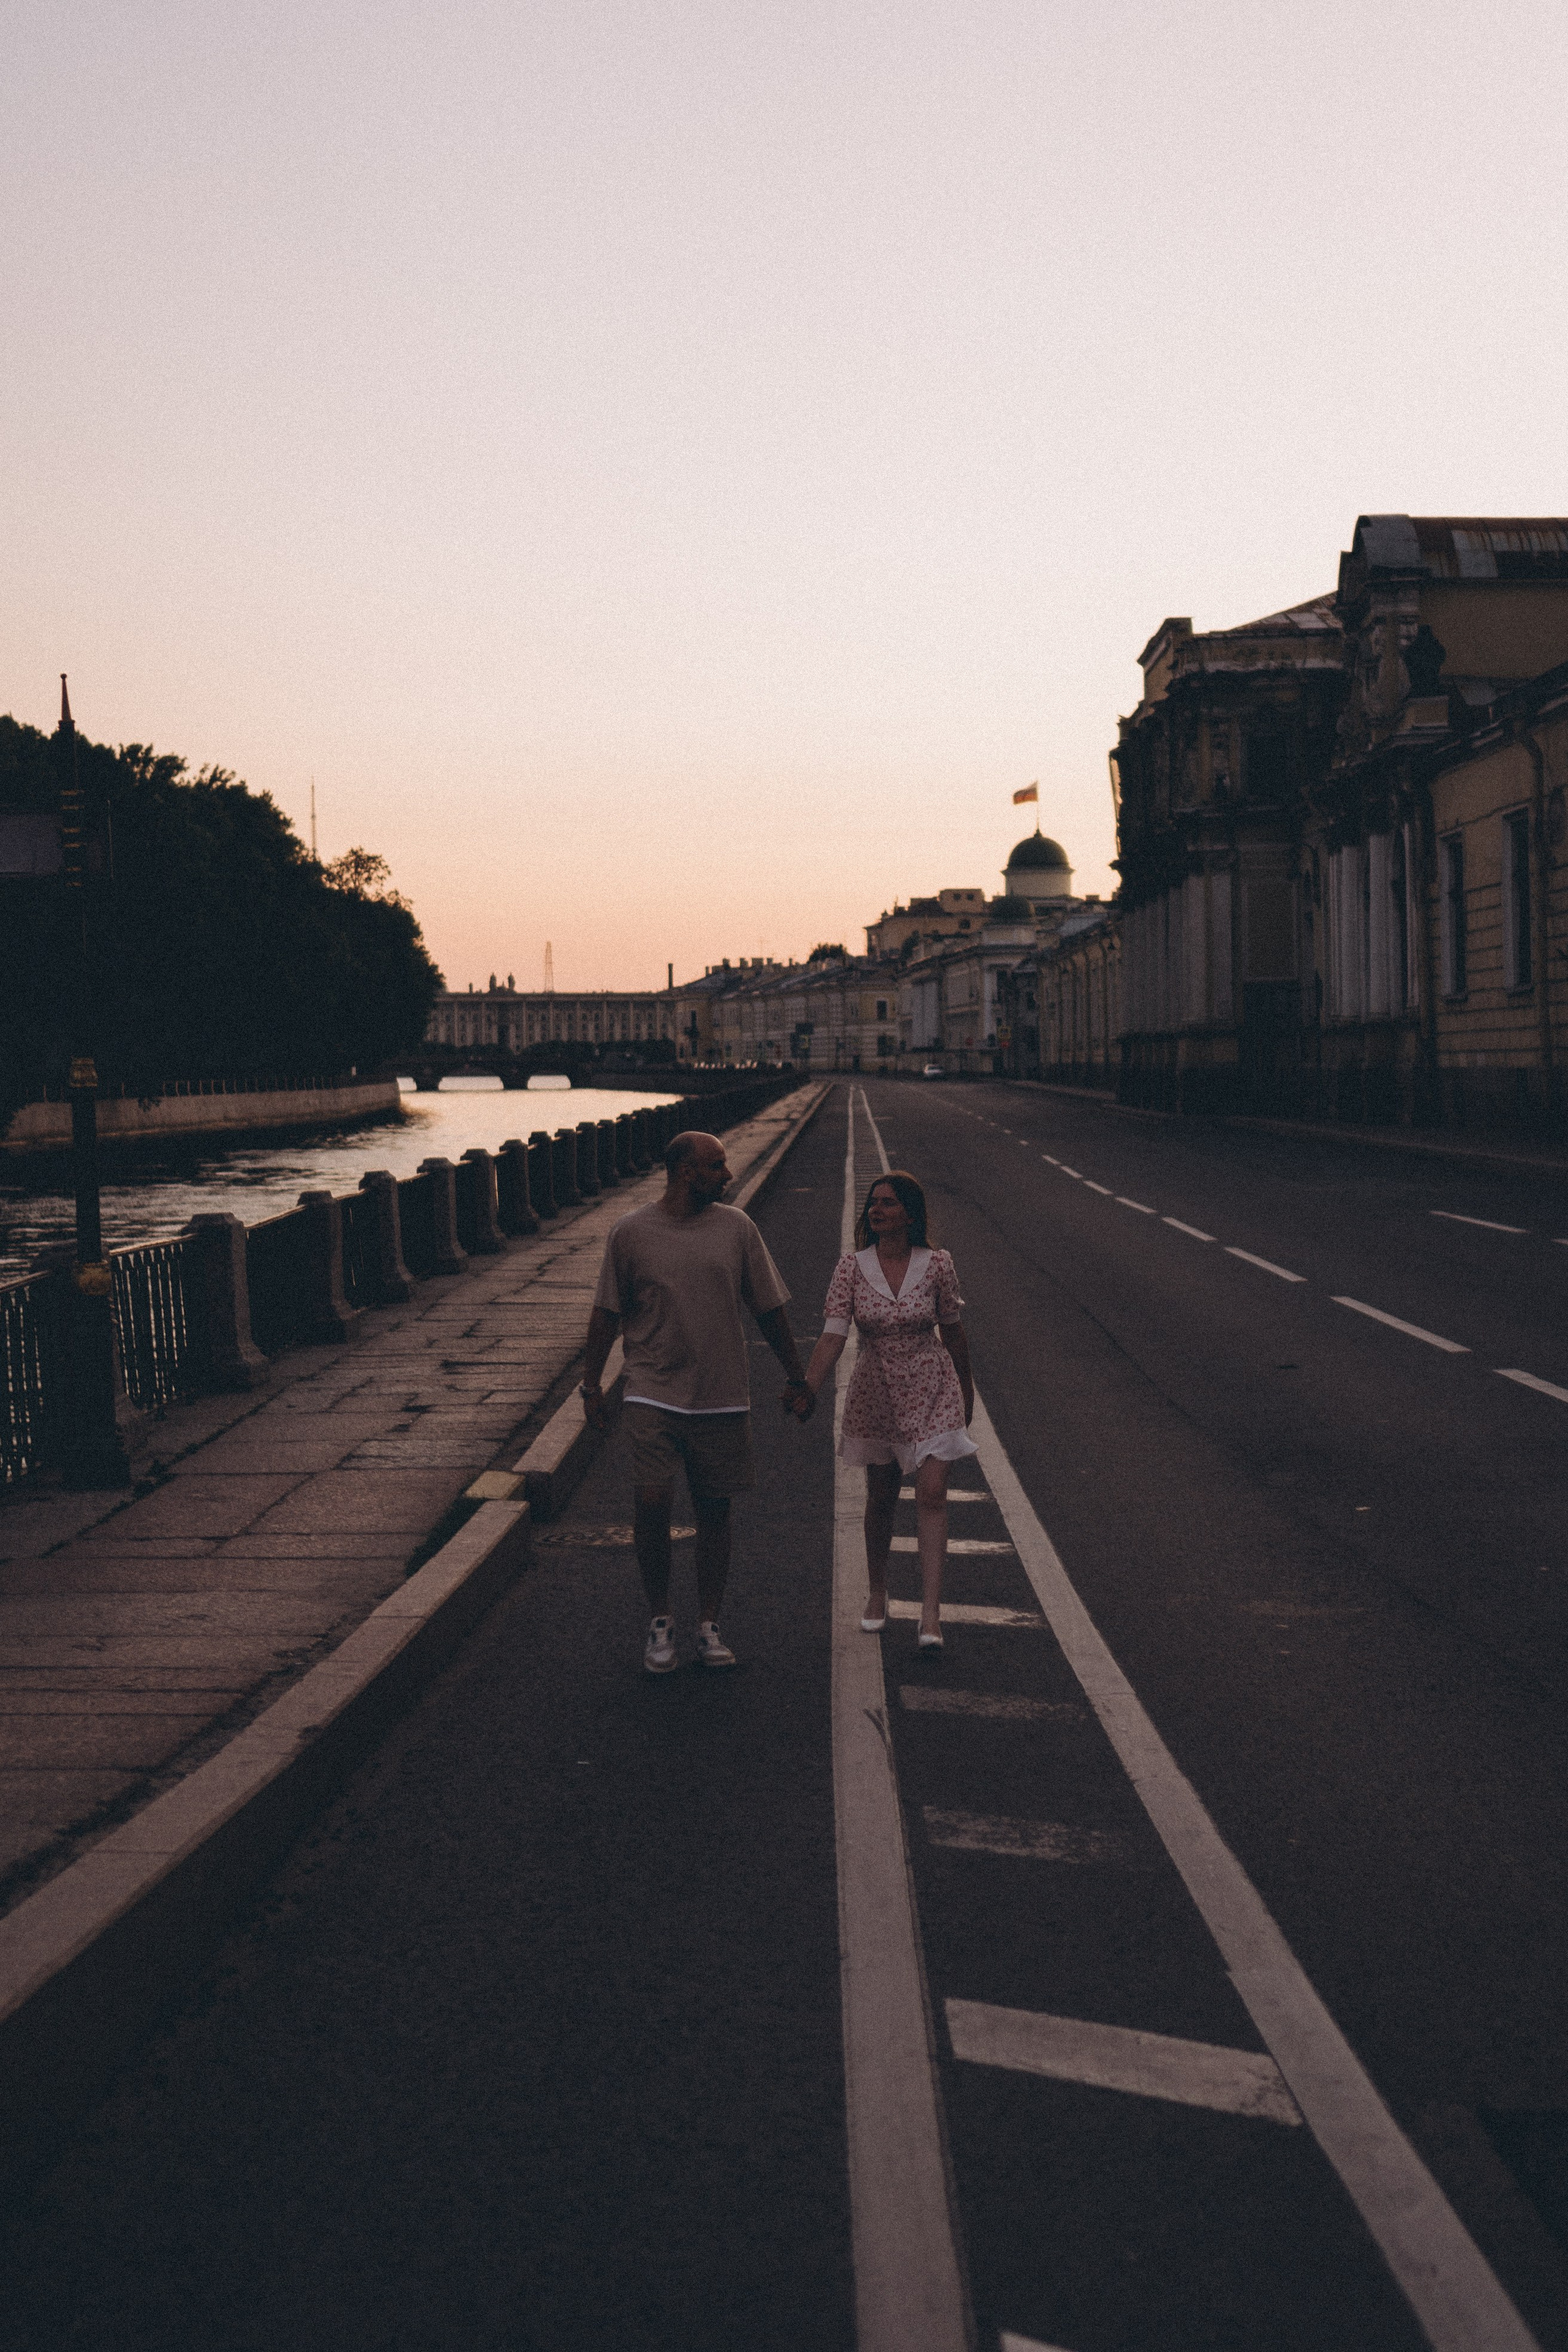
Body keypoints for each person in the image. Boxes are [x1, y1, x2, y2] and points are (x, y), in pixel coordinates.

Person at [581, 1129, 813, 1673]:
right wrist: (592, 1385)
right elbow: (606, 1315)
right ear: (687, 1172)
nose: (728, 1174)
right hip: (652, 1391)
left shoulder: (737, 1229)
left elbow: (768, 1309)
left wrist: (796, 1375)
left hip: (721, 1393)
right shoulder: (631, 1233)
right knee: (654, 1503)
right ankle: (661, 1620)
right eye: (717, 1165)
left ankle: (709, 1622)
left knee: (714, 1511)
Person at [793, 1170, 974, 1649]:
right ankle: (878, 1593)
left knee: (932, 1491)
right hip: (877, 1389)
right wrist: (808, 1386)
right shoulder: (851, 1268)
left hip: (932, 1383)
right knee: (882, 1496)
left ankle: (930, 1615)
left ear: (909, 1215)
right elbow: (834, 1335)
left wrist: (966, 1389)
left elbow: (953, 1330)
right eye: (873, 1203)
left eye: (889, 1203)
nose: (877, 1209)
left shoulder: (937, 1264)